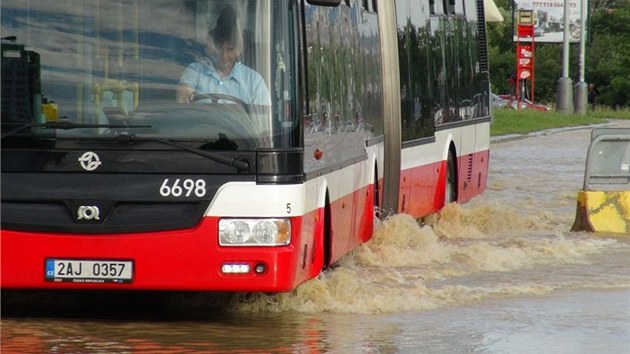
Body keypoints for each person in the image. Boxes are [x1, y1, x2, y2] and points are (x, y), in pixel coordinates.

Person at [176, 5, 270, 106]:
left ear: (238, 50)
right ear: (212, 47)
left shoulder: (254, 81)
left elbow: (262, 117)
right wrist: (185, 94)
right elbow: (184, 90)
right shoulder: (195, 70)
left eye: (230, 49)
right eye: (220, 48)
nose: (224, 55)